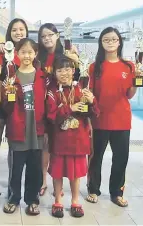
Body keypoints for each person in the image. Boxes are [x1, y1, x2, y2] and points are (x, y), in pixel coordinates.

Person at [86, 27, 143, 207]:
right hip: (99, 119)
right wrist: (88, 119)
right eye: (106, 39)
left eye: (113, 39)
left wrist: (138, 80)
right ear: (101, 43)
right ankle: (93, 190)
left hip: (121, 120)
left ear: (119, 42)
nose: (110, 42)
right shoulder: (95, 67)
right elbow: (90, 95)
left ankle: (117, 192)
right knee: (96, 157)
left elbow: (130, 94)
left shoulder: (129, 66)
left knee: (121, 157)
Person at [46, 56, 99, 218]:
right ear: (54, 73)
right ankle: (57, 201)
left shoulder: (81, 89)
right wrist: (70, 108)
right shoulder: (52, 93)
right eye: (60, 70)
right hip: (59, 142)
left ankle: (75, 201)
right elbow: (51, 116)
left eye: (67, 69)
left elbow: (95, 114)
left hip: (77, 141)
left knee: (75, 175)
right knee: (57, 173)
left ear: (74, 71)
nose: (64, 73)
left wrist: (92, 101)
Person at [0, 38, 46, 215]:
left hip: (37, 129)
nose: (27, 55)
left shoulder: (43, 77)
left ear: (35, 54)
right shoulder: (11, 76)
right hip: (18, 129)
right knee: (16, 168)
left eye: (30, 52)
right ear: (16, 54)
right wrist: (9, 94)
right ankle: (13, 198)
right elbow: (6, 107)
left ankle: (32, 199)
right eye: (23, 52)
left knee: (35, 168)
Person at [0, 18, 28, 198]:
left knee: (14, 149)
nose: (18, 32)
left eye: (21, 29)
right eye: (15, 30)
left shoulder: (29, 51)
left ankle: (13, 185)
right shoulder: (2, 50)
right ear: (9, 32)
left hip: (19, 106)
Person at [37, 23, 79, 196]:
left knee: (59, 145)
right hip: (44, 103)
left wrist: (76, 59)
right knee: (45, 145)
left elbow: (79, 77)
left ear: (57, 35)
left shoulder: (67, 54)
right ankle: (43, 181)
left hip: (63, 103)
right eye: (43, 36)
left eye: (50, 35)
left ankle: (59, 187)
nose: (47, 38)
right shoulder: (38, 56)